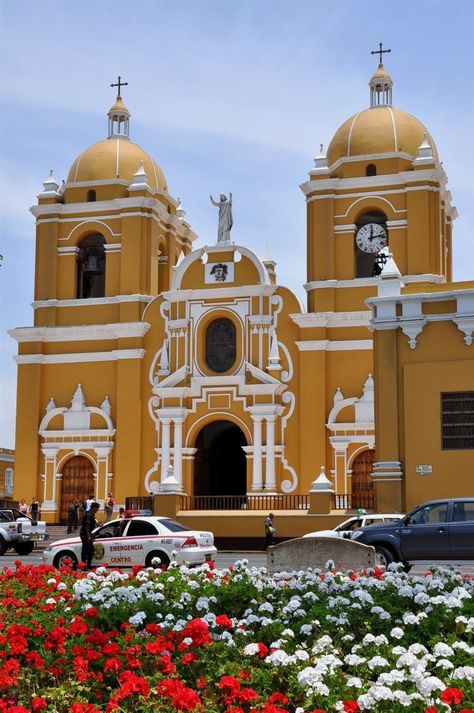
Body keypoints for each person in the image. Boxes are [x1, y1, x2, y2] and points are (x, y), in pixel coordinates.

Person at [80, 501, 100, 570]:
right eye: (97, 508)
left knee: (90, 550)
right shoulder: (89, 514)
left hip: (87, 534)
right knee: (86, 550)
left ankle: (88, 565)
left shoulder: (91, 513)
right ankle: (84, 566)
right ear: (94, 508)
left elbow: (92, 523)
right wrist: (88, 536)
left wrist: (99, 525)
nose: (98, 510)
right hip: (85, 534)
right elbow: (87, 526)